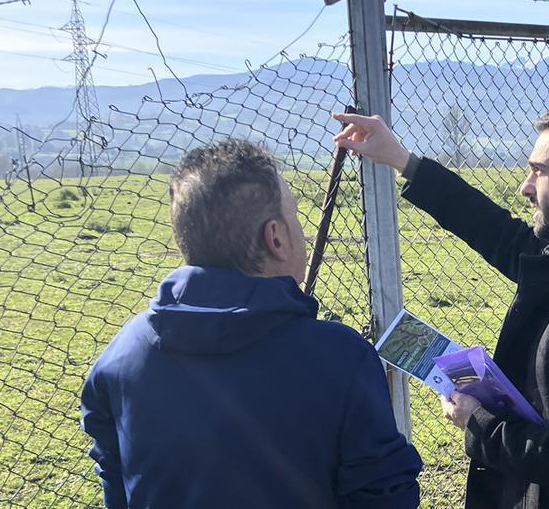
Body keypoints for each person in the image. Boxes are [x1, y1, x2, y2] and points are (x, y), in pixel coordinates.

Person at [333, 107, 549, 509]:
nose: (525, 186)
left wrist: (477, 422)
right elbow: (493, 229)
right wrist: (402, 159)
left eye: (540, 171)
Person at [79, 139, 422, 509]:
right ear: (275, 237)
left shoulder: (120, 358)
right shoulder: (343, 358)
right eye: (296, 218)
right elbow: (385, 495)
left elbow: (115, 477)